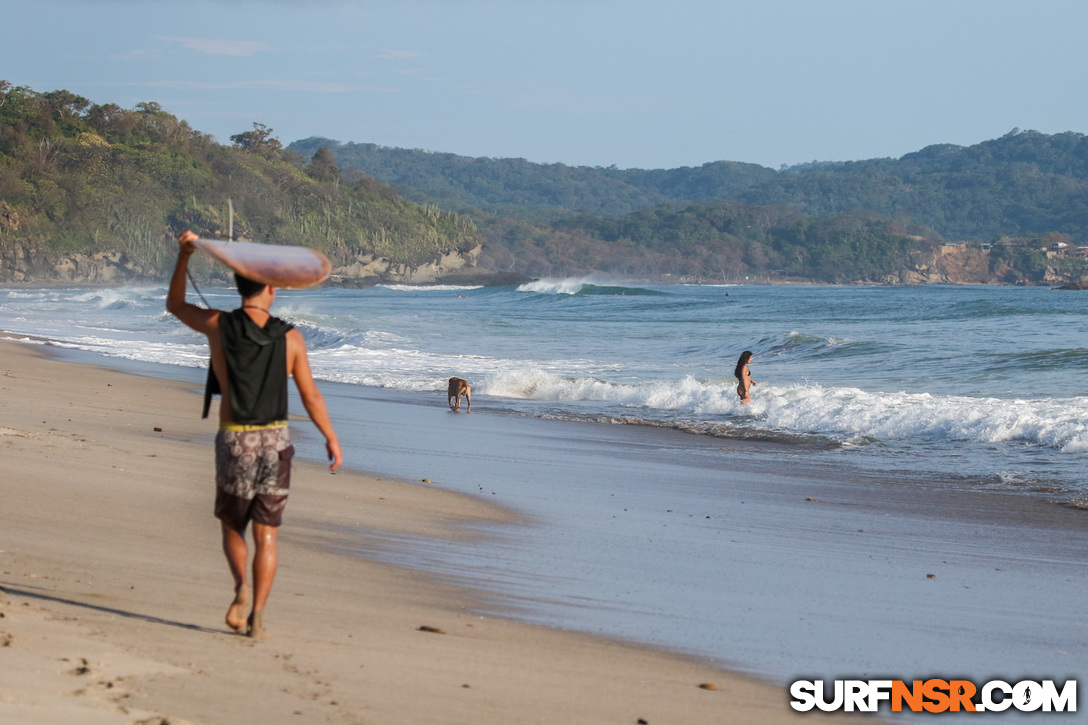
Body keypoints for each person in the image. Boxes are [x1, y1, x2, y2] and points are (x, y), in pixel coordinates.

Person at [166, 230, 343, 638]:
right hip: (276, 443)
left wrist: (184, 256)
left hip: (235, 439)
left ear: (239, 285)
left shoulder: (218, 325)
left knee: (233, 526)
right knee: (268, 536)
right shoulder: (292, 337)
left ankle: (241, 589)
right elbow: (311, 395)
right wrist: (330, 437)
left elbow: (175, 305)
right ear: (272, 290)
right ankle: (258, 616)